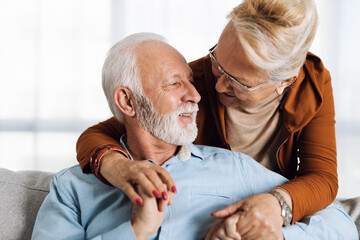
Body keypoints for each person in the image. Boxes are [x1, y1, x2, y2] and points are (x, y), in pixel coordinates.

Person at [32, 33, 358, 240]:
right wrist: (135, 231)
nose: (198, 94)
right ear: (127, 101)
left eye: (191, 80)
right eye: (175, 83)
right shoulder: (73, 188)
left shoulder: (236, 169)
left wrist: (271, 233)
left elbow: (341, 225)